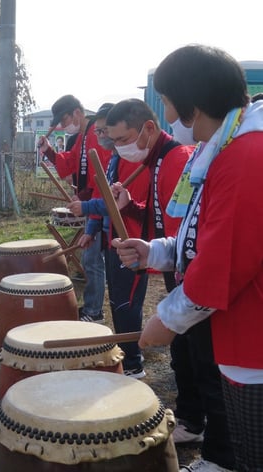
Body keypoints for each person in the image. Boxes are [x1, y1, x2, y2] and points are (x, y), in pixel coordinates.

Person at [113, 45, 263, 472]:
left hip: (253, 335)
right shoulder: (218, 149)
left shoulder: (247, 154)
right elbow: (197, 235)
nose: (165, 113)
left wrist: (167, 320)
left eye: (166, 101)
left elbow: (223, 261)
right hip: (238, 330)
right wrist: (155, 251)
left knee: (254, 452)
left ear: (191, 107)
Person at [67, 103, 151, 378]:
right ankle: (127, 357)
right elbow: (105, 196)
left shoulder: (135, 159)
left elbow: (114, 203)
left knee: (127, 303)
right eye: (102, 132)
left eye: (110, 133)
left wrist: (88, 208)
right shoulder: (112, 158)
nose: (105, 138)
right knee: (116, 301)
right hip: (112, 238)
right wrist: (91, 230)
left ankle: (133, 364)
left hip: (132, 240)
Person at [38, 95, 111, 323]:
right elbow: (69, 161)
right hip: (92, 203)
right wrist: (49, 151)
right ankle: (92, 308)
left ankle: (94, 311)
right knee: (91, 258)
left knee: (92, 259)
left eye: (65, 118)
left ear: (78, 112)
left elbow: (103, 175)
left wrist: (86, 200)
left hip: (100, 205)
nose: (63, 124)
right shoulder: (82, 136)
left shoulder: (94, 134)